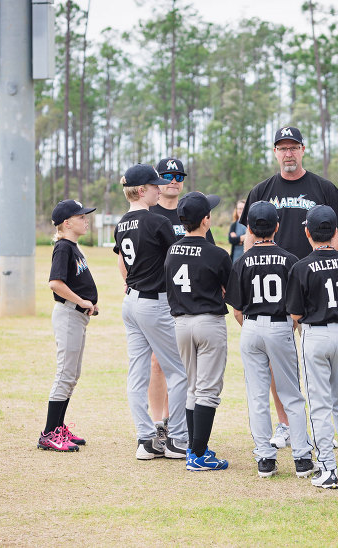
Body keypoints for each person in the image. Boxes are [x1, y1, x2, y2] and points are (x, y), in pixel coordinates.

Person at [239, 125, 338, 449]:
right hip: (274, 285)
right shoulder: (262, 190)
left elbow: (337, 237)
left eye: (293, 147)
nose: (288, 153)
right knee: (277, 360)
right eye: (282, 148)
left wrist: (331, 275)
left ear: (303, 150)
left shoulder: (324, 188)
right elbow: (249, 238)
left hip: (314, 281)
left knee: (319, 357)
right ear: (275, 152)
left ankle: (321, 427)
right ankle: (286, 424)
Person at [225, 200, 315, 479]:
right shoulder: (290, 260)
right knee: (292, 394)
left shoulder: (242, 261)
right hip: (280, 325)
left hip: (251, 326)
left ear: (249, 229)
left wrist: (252, 327)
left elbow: (236, 309)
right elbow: (298, 307)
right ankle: (302, 458)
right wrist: (287, 328)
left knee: (257, 395)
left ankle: (265, 457)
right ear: (277, 226)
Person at [286, 205, 338, 489]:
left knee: (319, 405)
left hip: (316, 335)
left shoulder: (301, 266)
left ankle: (327, 469)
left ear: (307, 232)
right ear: (335, 232)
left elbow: (295, 313)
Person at [113, 163, 189, 461]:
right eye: (155, 185)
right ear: (142, 190)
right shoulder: (157, 222)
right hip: (153, 302)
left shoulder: (121, 224)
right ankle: (177, 439)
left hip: (131, 301)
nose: (160, 189)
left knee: (137, 372)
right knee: (179, 371)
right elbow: (177, 258)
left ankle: (145, 439)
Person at [164, 191, 233, 471]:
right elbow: (231, 291)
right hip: (208, 322)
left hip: (181, 323)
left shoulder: (172, 250)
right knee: (208, 390)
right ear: (206, 220)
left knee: (193, 387)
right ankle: (199, 455)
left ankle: (194, 448)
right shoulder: (217, 253)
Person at [148, 157, 215, 441]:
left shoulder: (192, 210)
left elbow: (210, 255)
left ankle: (176, 420)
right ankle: (158, 423)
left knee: (186, 362)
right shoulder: (149, 212)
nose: (174, 180)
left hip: (189, 300)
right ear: (158, 180)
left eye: (179, 176)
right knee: (157, 361)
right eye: (167, 175)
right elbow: (127, 259)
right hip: (160, 295)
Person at [37, 199, 98, 452]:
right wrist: (81, 301)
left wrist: (89, 302)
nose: (86, 220)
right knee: (65, 374)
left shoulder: (73, 247)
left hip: (77, 316)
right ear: (67, 223)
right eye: (80, 216)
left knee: (72, 374)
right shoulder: (63, 247)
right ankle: (49, 433)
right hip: (68, 315)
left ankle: (58, 427)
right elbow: (55, 283)